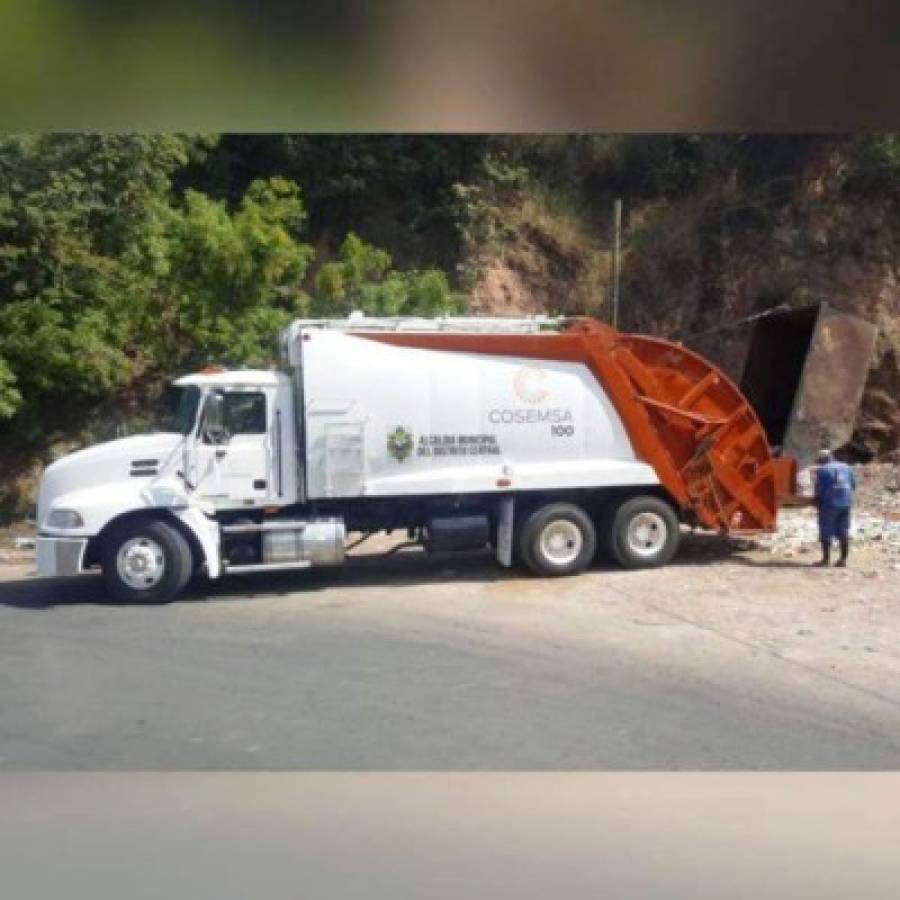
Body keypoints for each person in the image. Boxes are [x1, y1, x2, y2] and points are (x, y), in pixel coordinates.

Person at [813, 448, 856, 567]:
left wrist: (817, 500)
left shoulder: (822, 470)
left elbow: (819, 489)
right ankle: (843, 560)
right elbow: (853, 485)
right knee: (843, 531)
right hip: (846, 503)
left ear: (822, 459)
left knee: (825, 531)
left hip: (829, 504)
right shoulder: (847, 467)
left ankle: (826, 560)